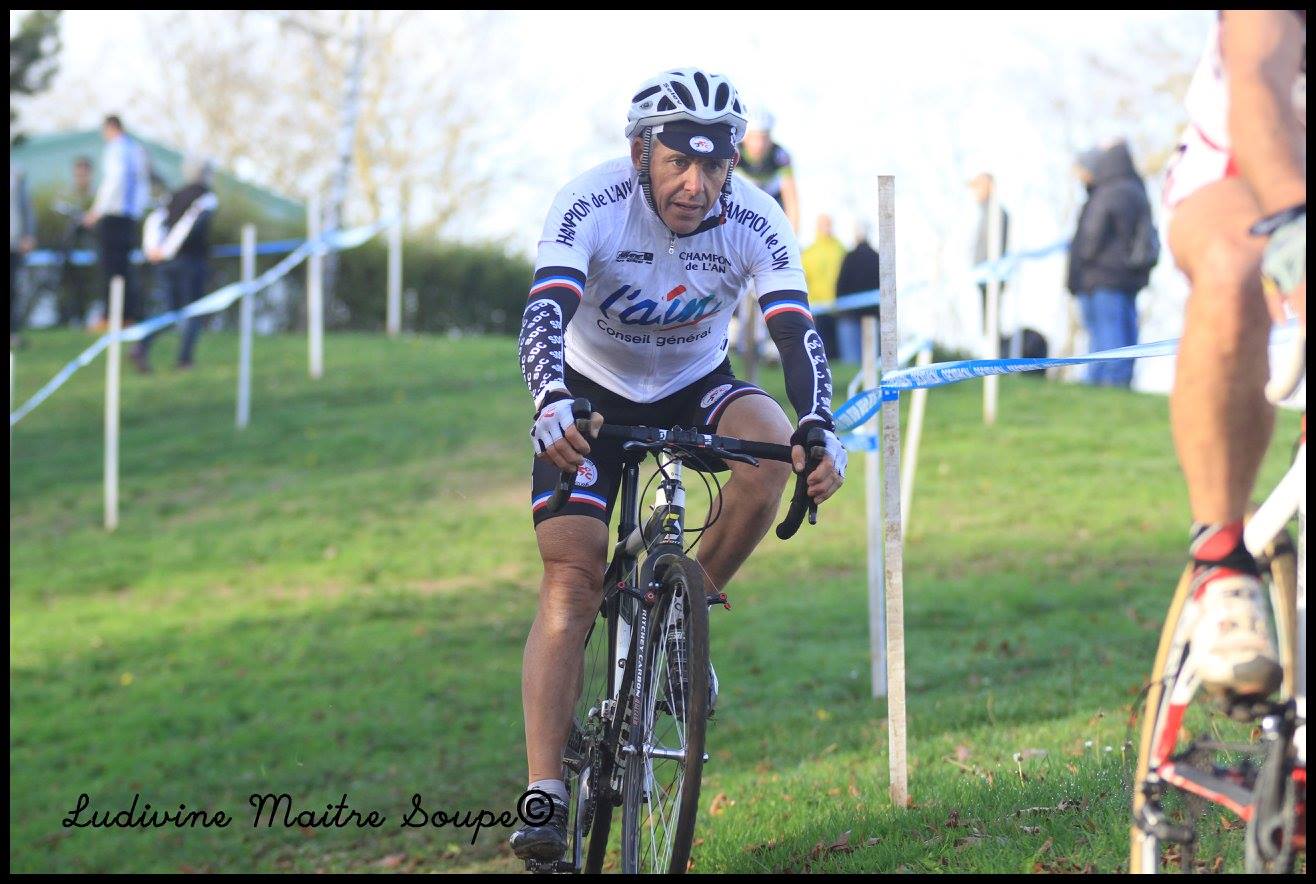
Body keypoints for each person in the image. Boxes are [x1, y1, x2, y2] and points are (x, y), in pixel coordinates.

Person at [508, 67, 845, 863]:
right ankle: (545, 787)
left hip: (695, 382)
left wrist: (818, 427)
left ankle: (683, 632)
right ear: (640, 153)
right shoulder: (590, 200)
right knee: (573, 576)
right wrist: (549, 398)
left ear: (734, 162)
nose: (697, 186)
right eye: (678, 164)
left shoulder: (756, 218)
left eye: (715, 165)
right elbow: (544, 311)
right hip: (592, 393)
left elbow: (797, 333)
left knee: (769, 447)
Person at [1158, 9, 1305, 700]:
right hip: (1248, 169)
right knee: (1236, 264)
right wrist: (1294, 234)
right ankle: (1221, 561)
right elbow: (1260, 89)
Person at [1065, 140, 1156, 388]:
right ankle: (1114, 381)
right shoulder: (1135, 188)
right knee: (1120, 331)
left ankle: (1107, 382)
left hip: (1103, 275)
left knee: (1106, 334)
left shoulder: (1109, 193)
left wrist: (1081, 260)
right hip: (1124, 275)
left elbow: (1091, 236)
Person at [132, 155, 219, 373]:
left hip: (166, 261)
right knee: (193, 312)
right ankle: (184, 361)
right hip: (188, 262)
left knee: (169, 312)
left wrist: (154, 249)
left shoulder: (172, 196)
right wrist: (167, 250)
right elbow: (189, 225)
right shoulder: (206, 198)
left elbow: (155, 221)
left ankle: (141, 347)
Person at [730, 107, 800, 366]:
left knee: (769, 280)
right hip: (739, 222)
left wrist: (791, 240)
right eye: (755, 137)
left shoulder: (780, 156)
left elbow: (792, 200)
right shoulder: (733, 152)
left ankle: (769, 340)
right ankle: (734, 328)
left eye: (764, 137)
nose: (760, 143)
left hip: (769, 222)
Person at [83, 115, 151, 329]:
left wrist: (96, 210)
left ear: (111, 128)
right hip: (130, 217)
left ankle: (111, 316)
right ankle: (128, 315)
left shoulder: (116, 149)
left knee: (111, 269)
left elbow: (114, 181)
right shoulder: (136, 149)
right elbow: (143, 183)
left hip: (114, 217)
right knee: (125, 268)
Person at [55, 156, 99, 327]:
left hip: (91, 249)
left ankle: (88, 317)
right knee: (70, 285)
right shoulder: (67, 193)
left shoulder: (97, 194)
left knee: (90, 286)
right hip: (70, 249)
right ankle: (70, 317)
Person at [834, 221, 881, 365]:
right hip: (872, 315)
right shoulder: (876, 257)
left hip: (850, 316)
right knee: (872, 362)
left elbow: (840, 285)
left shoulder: (849, 257)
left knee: (851, 362)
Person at [969, 172, 1010, 337]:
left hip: (992, 277)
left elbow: (996, 249)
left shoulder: (997, 213)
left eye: (978, 187)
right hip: (983, 277)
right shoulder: (985, 212)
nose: (974, 193)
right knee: (987, 327)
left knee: (992, 327)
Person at [801, 214, 846, 359]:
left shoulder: (841, 249)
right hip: (817, 308)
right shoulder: (809, 252)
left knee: (838, 352)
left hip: (838, 307)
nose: (826, 228)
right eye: (823, 224)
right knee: (821, 351)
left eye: (828, 224)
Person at [10, 162, 37, 350]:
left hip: (14, 243)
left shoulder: (16, 173)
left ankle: (12, 333)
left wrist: (28, 234)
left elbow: (26, 207)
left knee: (13, 289)